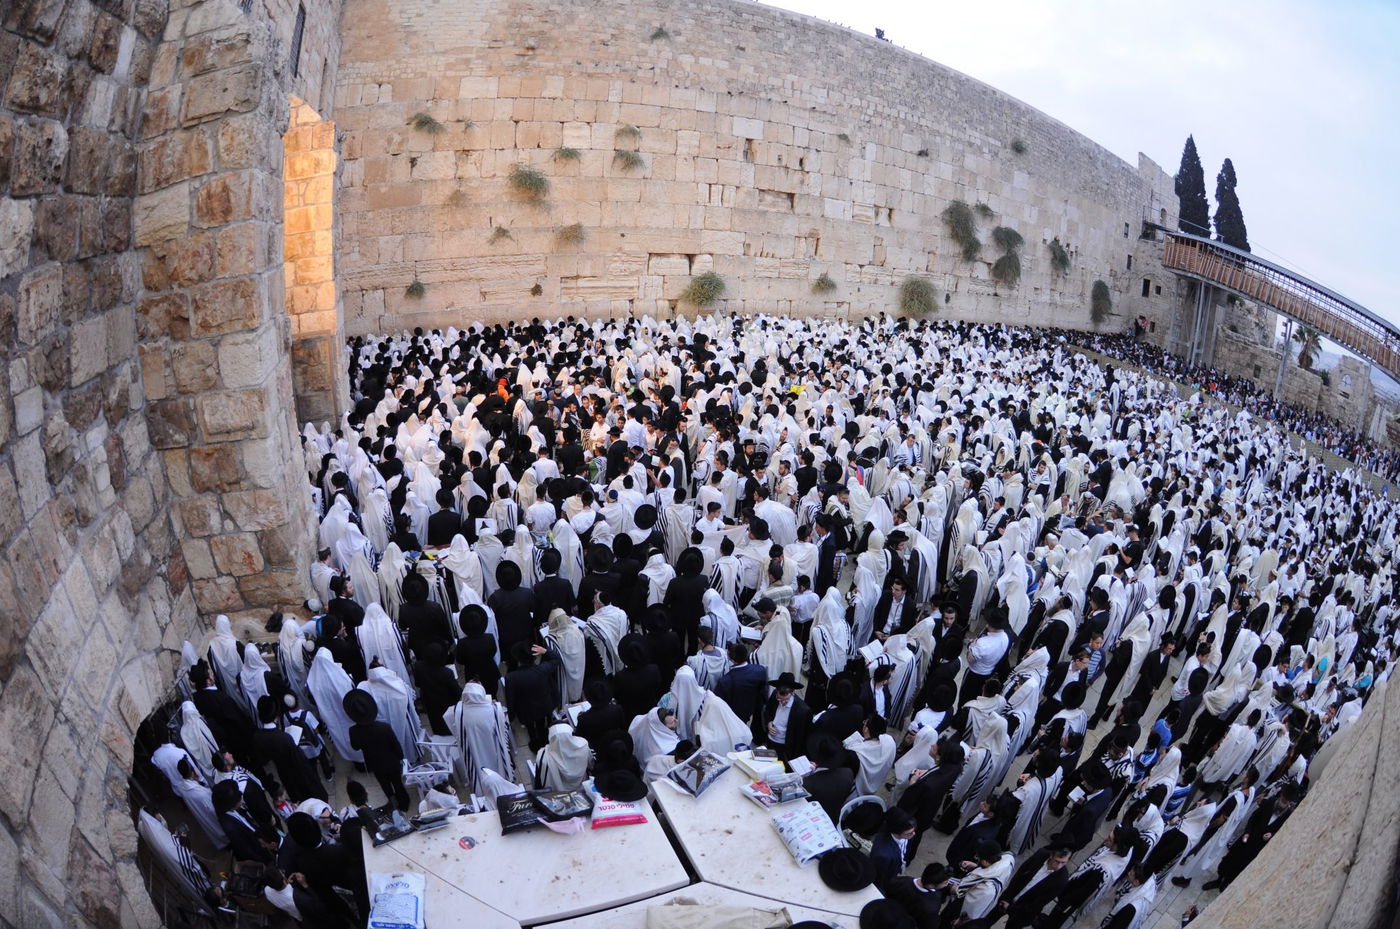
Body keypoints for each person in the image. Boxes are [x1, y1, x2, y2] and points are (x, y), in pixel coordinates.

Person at [345, 690, 410, 811]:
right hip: (392, 761)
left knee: (385, 785)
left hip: (375, 764)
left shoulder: (353, 731)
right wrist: (401, 757)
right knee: (398, 783)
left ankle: (393, 803)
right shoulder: (384, 727)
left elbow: (355, 747)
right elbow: (395, 745)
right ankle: (404, 803)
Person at [997, 845, 1074, 929]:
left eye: (1063, 862)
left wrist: (1010, 908)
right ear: (1051, 855)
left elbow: (1038, 903)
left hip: (1022, 913)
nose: (1059, 866)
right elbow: (1018, 876)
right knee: (988, 919)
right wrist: (1007, 898)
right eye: (1057, 861)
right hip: (1008, 898)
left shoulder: (1061, 880)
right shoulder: (1040, 855)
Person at [504, 641, 562, 752]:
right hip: (544, 706)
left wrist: (510, 715)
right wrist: (545, 651)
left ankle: (534, 742)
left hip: (526, 710)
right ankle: (543, 739)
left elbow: (510, 698)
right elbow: (557, 659)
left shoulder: (511, 678)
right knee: (541, 724)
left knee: (530, 728)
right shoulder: (543, 669)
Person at [714, 641, 768, 727]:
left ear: (732, 660)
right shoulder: (760, 671)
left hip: (731, 718)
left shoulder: (725, 681)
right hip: (749, 712)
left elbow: (717, 705)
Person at [760, 672, 812, 761]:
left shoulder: (803, 710)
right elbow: (767, 711)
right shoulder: (774, 696)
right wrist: (768, 722)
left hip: (786, 748)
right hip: (770, 741)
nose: (782, 702)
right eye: (779, 699)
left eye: (786, 700)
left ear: (793, 693)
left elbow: (802, 737)